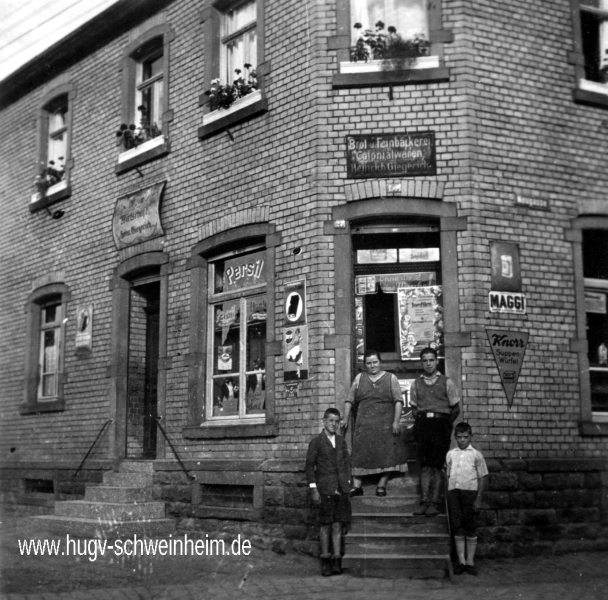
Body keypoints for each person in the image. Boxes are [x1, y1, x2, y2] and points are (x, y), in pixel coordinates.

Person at [342, 350, 406, 497]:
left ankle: (381, 485)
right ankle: (357, 486)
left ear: (380, 362)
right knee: (359, 454)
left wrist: (396, 422)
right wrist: (345, 418)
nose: (372, 366)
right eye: (369, 363)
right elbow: (349, 399)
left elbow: (398, 401)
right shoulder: (359, 378)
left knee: (387, 453)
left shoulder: (391, 378)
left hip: (385, 425)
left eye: (375, 362)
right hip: (364, 425)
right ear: (365, 365)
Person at [410, 346, 460, 516]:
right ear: (421, 363)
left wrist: (446, 425)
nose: (428, 363)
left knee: (437, 466)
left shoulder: (447, 382)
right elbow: (415, 409)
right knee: (424, 466)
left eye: (431, 360)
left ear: (437, 361)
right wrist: (422, 423)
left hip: (440, 426)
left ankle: (435, 502)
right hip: (423, 426)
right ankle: (424, 501)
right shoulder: (416, 383)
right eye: (425, 360)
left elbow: (456, 408)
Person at [305, 407, 352, 576]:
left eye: (337, 421)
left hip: (340, 489)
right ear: (324, 421)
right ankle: (325, 561)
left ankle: (337, 560)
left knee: (338, 524)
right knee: (325, 525)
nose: (334, 424)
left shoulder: (341, 441)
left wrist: (347, 482)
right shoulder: (317, 442)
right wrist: (314, 489)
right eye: (330, 420)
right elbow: (310, 467)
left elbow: (347, 463)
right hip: (324, 489)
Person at [446, 422, 488, 576]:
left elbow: (483, 477)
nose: (463, 440)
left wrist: (478, 499)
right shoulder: (450, 454)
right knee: (457, 526)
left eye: (465, 437)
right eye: (459, 437)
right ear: (455, 437)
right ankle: (461, 561)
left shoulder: (476, 455)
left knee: (470, 526)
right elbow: (448, 475)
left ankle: (470, 562)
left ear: (471, 436)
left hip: (470, 493)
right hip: (454, 494)